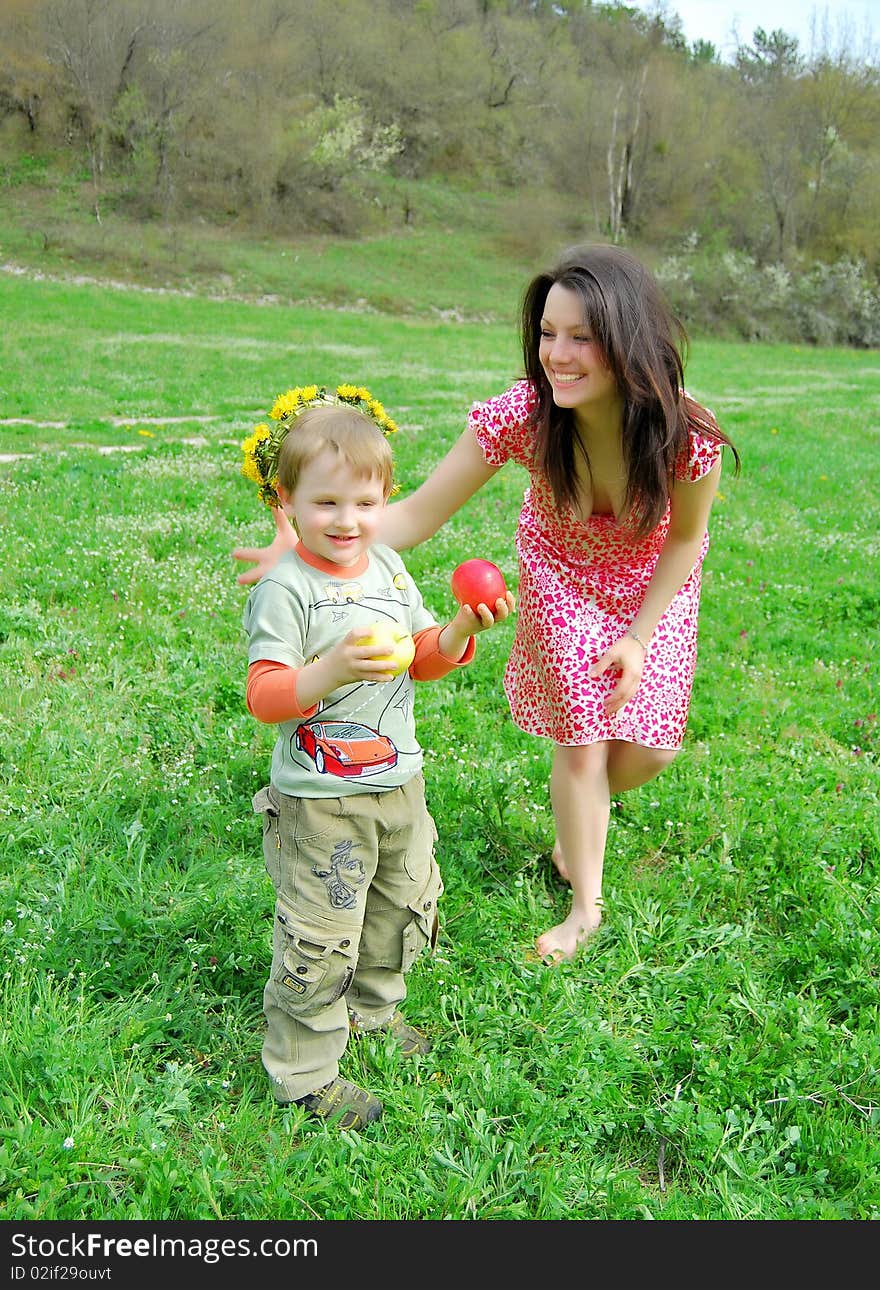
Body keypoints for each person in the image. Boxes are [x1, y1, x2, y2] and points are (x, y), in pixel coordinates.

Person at [234, 245, 739, 967]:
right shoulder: (525, 417)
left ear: (626, 340)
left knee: (650, 749)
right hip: (560, 575)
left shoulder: (685, 435)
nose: (557, 355)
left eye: (580, 338)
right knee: (582, 742)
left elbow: (687, 538)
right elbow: (411, 518)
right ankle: (584, 907)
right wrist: (308, 549)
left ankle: (579, 824)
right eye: (547, 334)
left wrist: (638, 634)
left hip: (652, 586)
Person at [240, 385, 514, 1129]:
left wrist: (459, 629)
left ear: (384, 497)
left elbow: (423, 658)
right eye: (325, 503)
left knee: (399, 904)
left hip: (399, 780)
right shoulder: (285, 589)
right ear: (287, 501)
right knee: (321, 931)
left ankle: (373, 1012)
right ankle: (304, 1073)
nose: (346, 520)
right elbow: (264, 693)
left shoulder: (390, 568)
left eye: (363, 503)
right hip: (320, 799)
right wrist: (328, 672)